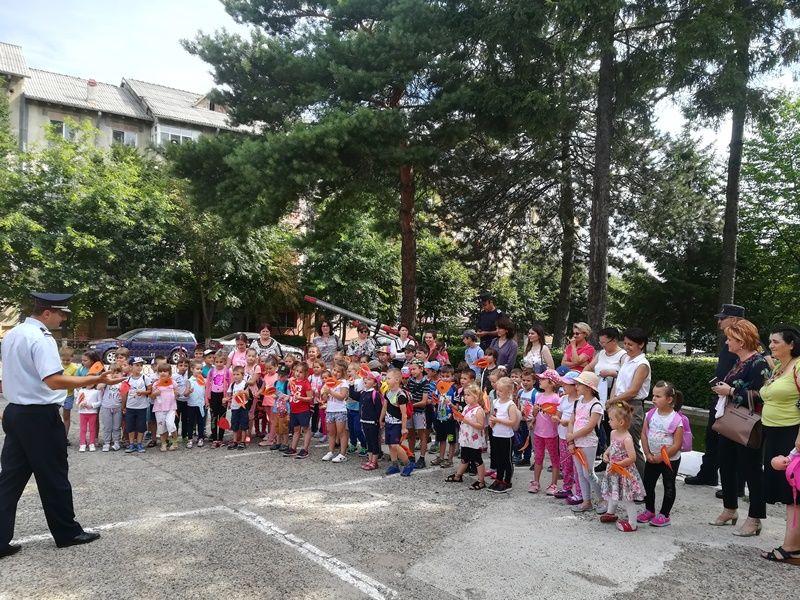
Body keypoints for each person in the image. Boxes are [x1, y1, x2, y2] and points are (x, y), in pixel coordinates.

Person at [0, 292, 124, 558]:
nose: (63, 319)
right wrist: (95, 379)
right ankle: (67, 533)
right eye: (61, 314)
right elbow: (54, 380)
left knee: (9, 480)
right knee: (54, 476)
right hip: (39, 417)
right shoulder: (41, 338)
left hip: (16, 412)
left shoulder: (13, 334)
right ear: (47, 313)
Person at [709, 319, 768, 537]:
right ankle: (729, 508)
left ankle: (755, 517)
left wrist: (731, 392)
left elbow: (762, 395)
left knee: (751, 469)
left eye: (730, 339)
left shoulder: (758, 363)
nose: (727, 343)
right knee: (726, 463)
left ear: (741, 341)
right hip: (731, 422)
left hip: (748, 425)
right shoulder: (739, 361)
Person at [686, 304, 745, 487]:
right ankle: (708, 473)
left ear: (733, 320)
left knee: (732, 442)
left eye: (722, 318)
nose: (719, 322)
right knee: (712, 437)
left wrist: (732, 390)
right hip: (720, 398)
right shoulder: (727, 341)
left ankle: (736, 485)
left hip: (735, 401)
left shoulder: (749, 343)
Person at [759, 325, 800, 563]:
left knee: (793, 493)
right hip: (775, 433)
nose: (771, 345)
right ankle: (792, 545)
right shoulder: (779, 366)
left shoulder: (798, 366)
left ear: (791, 344)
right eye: (770, 341)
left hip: (791, 435)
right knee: (787, 493)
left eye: (775, 342)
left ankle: (791, 548)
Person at [639, 382, 685, 528]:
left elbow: (677, 444)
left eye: (658, 396)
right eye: (653, 395)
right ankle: (649, 510)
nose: (653, 398)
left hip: (669, 460)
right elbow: (644, 434)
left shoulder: (677, 419)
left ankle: (665, 514)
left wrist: (661, 457)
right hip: (651, 458)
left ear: (669, 399)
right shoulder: (650, 415)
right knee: (648, 484)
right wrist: (647, 453)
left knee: (669, 485)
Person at [608, 327, 651, 474]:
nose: (626, 347)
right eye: (625, 343)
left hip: (633, 406)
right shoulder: (626, 359)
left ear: (641, 344)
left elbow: (633, 391)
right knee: (618, 444)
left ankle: (642, 481)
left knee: (631, 445)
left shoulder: (642, 364)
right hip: (619, 403)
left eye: (630, 344)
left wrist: (613, 400)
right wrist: (612, 401)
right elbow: (618, 382)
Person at [599, 401, 646, 532]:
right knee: (612, 491)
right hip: (613, 470)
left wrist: (618, 464)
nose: (608, 421)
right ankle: (610, 512)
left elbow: (632, 458)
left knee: (627, 498)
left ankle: (632, 523)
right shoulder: (613, 433)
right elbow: (612, 446)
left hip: (623, 472)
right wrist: (606, 453)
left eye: (611, 419)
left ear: (621, 422)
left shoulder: (627, 439)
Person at [566, 371, 603, 512]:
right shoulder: (577, 402)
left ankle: (602, 499)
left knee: (588, 473)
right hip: (576, 442)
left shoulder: (596, 406)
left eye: (579, 384)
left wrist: (572, 436)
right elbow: (571, 421)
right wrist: (571, 441)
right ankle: (587, 501)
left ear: (588, 388)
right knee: (581, 474)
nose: (576, 386)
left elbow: (589, 427)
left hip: (588, 443)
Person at [446, 383, 487, 490]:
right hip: (466, 438)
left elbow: (481, 426)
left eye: (468, 395)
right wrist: (458, 417)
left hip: (474, 440)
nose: (465, 397)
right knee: (464, 457)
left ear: (476, 397)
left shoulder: (479, 410)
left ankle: (481, 481)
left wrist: (466, 421)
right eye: (465, 395)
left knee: (477, 459)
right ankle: (458, 475)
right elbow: (463, 419)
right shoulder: (467, 407)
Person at [528, 369, 561, 495]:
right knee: (538, 456)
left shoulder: (556, 399)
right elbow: (534, 414)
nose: (540, 381)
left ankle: (554, 484)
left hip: (551, 433)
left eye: (543, 379)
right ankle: (536, 482)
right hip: (538, 432)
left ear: (551, 383)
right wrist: (534, 415)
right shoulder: (539, 396)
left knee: (554, 457)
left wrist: (553, 415)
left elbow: (558, 416)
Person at [487, 376, 520, 493]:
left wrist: (498, 420)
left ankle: (507, 481)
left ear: (509, 392)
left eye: (501, 391)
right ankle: (499, 479)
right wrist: (492, 422)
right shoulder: (495, 402)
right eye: (497, 390)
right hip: (496, 434)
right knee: (499, 458)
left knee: (507, 459)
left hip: (506, 436)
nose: (498, 392)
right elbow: (494, 415)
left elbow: (512, 421)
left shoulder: (510, 405)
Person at [382, 368, 413, 476]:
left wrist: (404, 428)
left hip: (397, 424)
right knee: (390, 445)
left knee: (395, 445)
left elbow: (404, 414)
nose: (386, 380)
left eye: (388, 378)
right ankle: (394, 465)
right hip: (388, 423)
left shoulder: (401, 395)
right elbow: (385, 407)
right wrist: (381, 419)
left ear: (396, 380)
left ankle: (408, 463)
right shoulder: (387, 392)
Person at [554, 371, 580, 499]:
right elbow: (558, 414)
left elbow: (580, 419)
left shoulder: (580, 401)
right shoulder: (563, 399)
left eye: (567, 384)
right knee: (565, 463)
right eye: (563, 383)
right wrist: (556, 418)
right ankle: (567, 487)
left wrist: (567, 422)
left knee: (577, 465)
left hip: (575, 437)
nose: (563, 386)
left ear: (576, 386)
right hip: (562, 435)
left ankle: (579, 491)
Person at [586, 327, 626, 406]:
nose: (602, 345)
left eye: (604, 342)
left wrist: (612, 373)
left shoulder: (623, 355)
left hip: (611, 392)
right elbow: (589, 367)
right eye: (600, 342)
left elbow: (625, 376)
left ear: (614, 341)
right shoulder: (601, 353)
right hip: (597, 389)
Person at [353, 370, 384, 471]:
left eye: (369, 379)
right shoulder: (364, 392)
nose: (366, 380)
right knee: (368, 441)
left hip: (373, 422)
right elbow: (353, 395)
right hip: (364, 421)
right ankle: (370, 460)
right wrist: (351, 385)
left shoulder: (375, 394)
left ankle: (374, 462)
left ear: (375, 383)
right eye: (365, 378)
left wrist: (380, 421)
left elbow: (379, 409)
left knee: (374, 442)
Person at [321, 363, 349, 463]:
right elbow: (324, 398)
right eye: (334, 370)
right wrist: (324, 392)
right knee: (331, 432)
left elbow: (342, 396)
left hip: (340, 410)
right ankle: (330, 452)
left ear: (343, 373)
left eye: (338, 371)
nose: (336, 373)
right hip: (330, 410)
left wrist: (330, 391)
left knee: (341, 432)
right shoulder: (329, 382)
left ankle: (342, 454)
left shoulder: (343, 383)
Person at [122, 358, 151, 454]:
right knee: (130, 426)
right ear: (131, 366)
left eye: (141, 365)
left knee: (141, 426)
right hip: (130, 406)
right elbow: (124, 394)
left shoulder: (145, 378)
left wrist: (143, 392)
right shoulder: (127, 380)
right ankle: (131, 444)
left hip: (142, 407)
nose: (139, 367)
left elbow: (150, 390)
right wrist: (123, 406)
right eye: (137, 365)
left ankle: (139, 443)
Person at [284, 363, 313, 459]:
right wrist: (288, 397)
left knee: (306, 429)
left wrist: (301, 398)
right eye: (297, 371)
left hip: (303, 410)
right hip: (294, 410)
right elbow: (291, 393)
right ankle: (293, 448)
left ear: (305, 374)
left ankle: (305, 449)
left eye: (301, 372)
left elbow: (310, 398)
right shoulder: (293, 382)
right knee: (296, 430)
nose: (298, 373)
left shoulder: (306, 383)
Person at [150, 363, 180, 452]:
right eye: (161, 371)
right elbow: (152, 397)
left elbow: (177, 394)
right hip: (159, 408)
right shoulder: (156, 384)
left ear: (169, 373)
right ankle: (164, 443)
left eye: (165, 371)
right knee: (161, 427)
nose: (163, 373)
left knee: (171, 425)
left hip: (170, 408)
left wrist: (176, 394)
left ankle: (175, 442)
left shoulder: (173, 382)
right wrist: (155, 394)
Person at [205, 351, 231, 448]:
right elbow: (207, 386)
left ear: (225, 362)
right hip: (213, 396)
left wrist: (229, 400)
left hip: (223, 397)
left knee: (222, 418)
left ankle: (220, 438)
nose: (219, 364)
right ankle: (214, 438)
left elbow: (231, 386)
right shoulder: (211, 371)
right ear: (214, 362)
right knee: (213, 418)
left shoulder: (228, 372)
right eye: (217, 362)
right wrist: (207, 400)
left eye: (221, 362)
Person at [99, 365, 124, 452]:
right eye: (112, 372)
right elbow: (99, 387)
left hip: (118, 407)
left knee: (117, 426)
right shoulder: (106, 383)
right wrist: (107, 379)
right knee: (107, 426)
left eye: (117, 372)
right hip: (106, 407)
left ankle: (116, 442)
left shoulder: (122, 383)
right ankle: (106, 442)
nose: (115, 375)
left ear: (121, 374)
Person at [225, 366, 249, 450]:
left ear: (242, 375)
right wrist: (226, 400)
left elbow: (248, 396)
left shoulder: (245, 384)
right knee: (234, 424)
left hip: (243, 407)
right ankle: (235, 441)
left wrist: (244, 393)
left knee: (243, 425)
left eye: (237, 374)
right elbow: (229, 395)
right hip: (234, 407)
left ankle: (243, 442)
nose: (235, 376)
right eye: (234, 374)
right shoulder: (232, 385)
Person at [186, 360, 207, 448]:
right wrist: (189, 392)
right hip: (191, 405)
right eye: (197, 369)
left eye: (201, 369)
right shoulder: (189, 381)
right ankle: (190, 439)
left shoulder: (204, 380)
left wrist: (206, 402)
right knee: (191, 422)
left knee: (201, 422)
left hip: (201, 404)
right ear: (192, 369)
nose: (199, 371)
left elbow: (206, 392)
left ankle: (200, 438)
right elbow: (185, 393)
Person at [59, 347, 79, 443]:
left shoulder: (74, 368)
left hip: (68, 395)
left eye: (68, 360)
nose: (65, 362)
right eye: (63, 360)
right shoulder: (57, 366)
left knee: (66, 417)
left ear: (72, 358)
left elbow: (76, 381)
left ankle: (64, 437)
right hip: (57, 395)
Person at [76, 383, 102, 452]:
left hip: (92, 412)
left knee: (92, 428)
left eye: (92, 382)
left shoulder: (96, 391)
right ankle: (82, 443)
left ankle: (91, 443)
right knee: (83, 429)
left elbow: (100, 402)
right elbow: (77, 401)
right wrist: (81, 404)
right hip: (83, 412)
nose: (90, 383)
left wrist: (92, 405)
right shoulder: (81, 391)